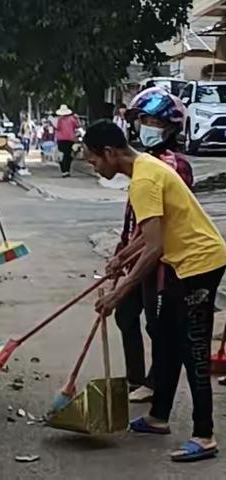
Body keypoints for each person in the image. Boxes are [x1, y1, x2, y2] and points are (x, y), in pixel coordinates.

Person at [84, 119, 226, 463]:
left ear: (109, 152)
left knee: (192, 347)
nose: (93, 167)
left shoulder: (145, 179)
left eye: (93, 161)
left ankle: (204, 435)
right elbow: (148, 235)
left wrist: (120, 294)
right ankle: (157, 416)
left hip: (200, 263)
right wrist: (121, 257)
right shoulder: (145, 168)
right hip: (184, 262)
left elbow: (155, 247)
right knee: (165, 338)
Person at [115, 88, 194, 403]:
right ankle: (136, 379)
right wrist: (123, 249)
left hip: (161, 256)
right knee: (125, 314)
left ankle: (154, 382)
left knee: (157, 324)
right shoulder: (143, 162)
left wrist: (131, 251)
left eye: (154, 121)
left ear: (171, 127)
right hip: (138, 250)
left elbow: (161, 221)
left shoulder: (174, 165)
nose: (146, 127)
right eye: (143, 120)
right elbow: (135, 215)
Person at [55, 104, 80, 178]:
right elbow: (78, 125)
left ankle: (64, 171)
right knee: (68, 155)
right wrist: (77, 118)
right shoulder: (72, 119)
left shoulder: (59, 120)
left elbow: (57, 128)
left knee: (61, 155)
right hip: (70, 139)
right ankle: (67, 170)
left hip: (61, 139)